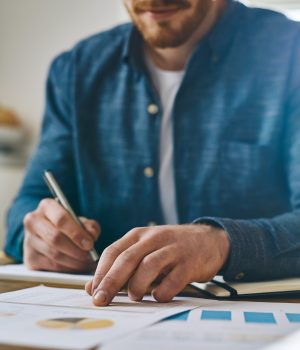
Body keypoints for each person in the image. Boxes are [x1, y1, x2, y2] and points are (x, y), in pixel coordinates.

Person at [5, 0, 300, 306]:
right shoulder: (75, 71)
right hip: (113, 316)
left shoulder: (291, 52)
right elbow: (27, 205)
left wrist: (220, 244)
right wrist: (37, 235)